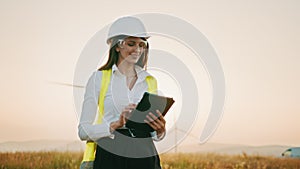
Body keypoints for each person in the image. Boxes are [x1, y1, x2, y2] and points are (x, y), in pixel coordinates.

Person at [78, 16, 166, 169]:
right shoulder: (98, 78)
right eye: (131, 44)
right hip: (110, 155)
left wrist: (160, 130)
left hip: (144, 155)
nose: (137, 50)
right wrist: (114, 125)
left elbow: (153, 135)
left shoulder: (149, 81)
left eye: (141, 44)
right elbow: (82, 131)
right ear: (117, 46)